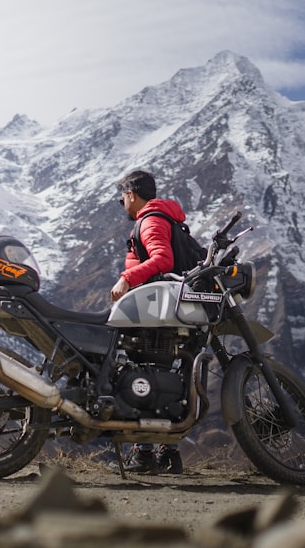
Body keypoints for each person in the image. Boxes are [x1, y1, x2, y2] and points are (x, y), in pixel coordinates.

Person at [111, 169, 184, 474]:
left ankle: (147, 455)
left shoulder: (151, 220)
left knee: (145, 379)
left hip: (155, 310)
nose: (122, 203)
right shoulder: (159, 217)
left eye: (122, 197)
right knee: (156, 376)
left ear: (131, 194)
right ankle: (165, 455)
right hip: (155, 307)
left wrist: (127, 279)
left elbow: (162, 259)